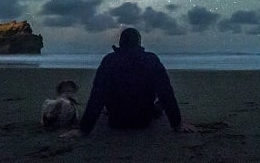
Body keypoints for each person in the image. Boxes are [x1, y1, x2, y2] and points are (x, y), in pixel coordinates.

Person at [61, 28, 195, 137]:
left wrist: (83, 129)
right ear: (139, 43)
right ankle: (155, 109)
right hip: (143, 120)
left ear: (120, 43)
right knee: (159, 101)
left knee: (106, 92)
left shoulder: (109, 60)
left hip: (116, 120)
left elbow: (97, 96)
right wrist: (177, 124)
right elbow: (165, 92)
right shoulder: (151, 59)